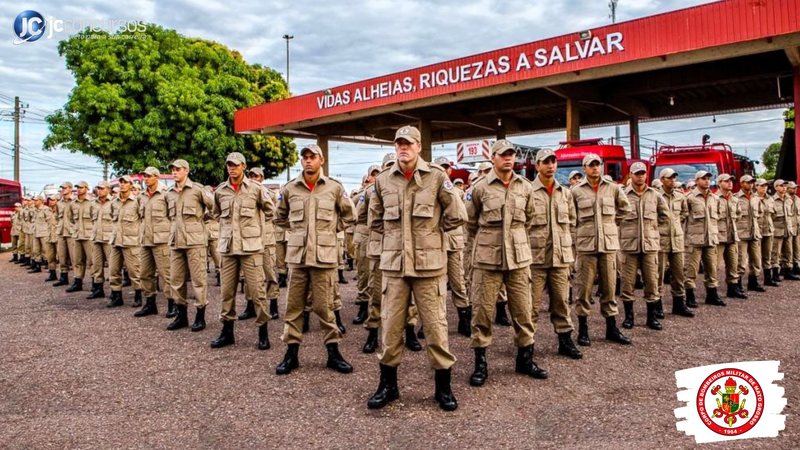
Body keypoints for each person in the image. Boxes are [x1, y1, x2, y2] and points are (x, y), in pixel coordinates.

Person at [366, 125, 465, 412]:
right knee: (391, 328)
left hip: (429, 267)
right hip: (395, 267)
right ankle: (388, 385)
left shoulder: (436, 177)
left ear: (419, 147)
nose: (403, 148)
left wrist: (432, 235)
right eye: (399, 144)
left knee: (435, 328)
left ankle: (443, 388)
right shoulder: (384, 180)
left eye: (408, 143)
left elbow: (457, 214)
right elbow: (375, 220)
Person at [465, 140, 546, 387]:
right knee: (482, 311)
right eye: (503, 155)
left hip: (519, 258)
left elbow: (529, 219)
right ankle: (481, 364)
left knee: (523, 310)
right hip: (487, 259)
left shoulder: (525, 187)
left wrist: (515, 239)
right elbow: (470, 222)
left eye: (511, 155)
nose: (508, 159)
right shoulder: (480, 187)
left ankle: (525, 359)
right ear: (494, 158)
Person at [274, 144, 355, 375]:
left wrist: (330, 230)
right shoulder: (290, 189)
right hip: (298, 259)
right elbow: (279, 216)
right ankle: (291, 354)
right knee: (294, 308)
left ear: (322, 160)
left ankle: (333, 353)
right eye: (305, 157)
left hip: (324, 258)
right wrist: (298, 231)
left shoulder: (334, 188)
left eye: (313, 157)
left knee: (325, 307)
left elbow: (350, 216)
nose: (308, 161)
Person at [209, 153, 275, 350]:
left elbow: (270, 211)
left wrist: (256, 231)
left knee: (257, 291)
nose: (232, 168)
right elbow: (216, 213)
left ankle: (263, 332)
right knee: (226, 292)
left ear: (243, 167)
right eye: (229, 165)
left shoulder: (256, 189)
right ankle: (227, 332)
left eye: (236, 165)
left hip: (251, 248)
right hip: (228, 248)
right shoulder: (221, 191)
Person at [360, 154, 422, 354]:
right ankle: (373, 333)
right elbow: (363, 217)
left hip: (406, 250)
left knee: (409, 295)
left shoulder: (413, 187)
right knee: (377, 293)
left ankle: (410, 330)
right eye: (381, 169)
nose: (384, 172)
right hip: (381, 251)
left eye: (389, 166)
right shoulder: (372, 190)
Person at [572, 153, 632, 347]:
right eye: (591, 165)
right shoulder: (576, 191)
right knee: (584, 289)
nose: (595, 168)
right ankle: (583, 329)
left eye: (598, 165)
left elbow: (625, 209)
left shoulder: (613, 188)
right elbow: (571, 217)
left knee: (609, 288)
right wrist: (578, 235)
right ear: (584, 168)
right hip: (586, 247)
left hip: (608, 246)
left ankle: (611, 328)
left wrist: (611, 225)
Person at [618, 162, 669, 331]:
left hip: (650, 246)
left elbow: (664, 215)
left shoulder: (654, 195)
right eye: (637, 173)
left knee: (652, 282)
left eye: (643, 173)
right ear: (630, 175)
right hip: (629, 245)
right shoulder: (623, 194)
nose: (640, 176)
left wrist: (653, 230)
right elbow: (615, 217)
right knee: (627, 283)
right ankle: (629, 317)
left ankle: (652, 317)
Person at [165, 159, 214, 331]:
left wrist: (201, 221)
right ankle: (181, 315)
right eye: (172, 169)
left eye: (178, 169)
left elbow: (214, 207)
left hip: (195, 241)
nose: (174, 172)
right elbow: (168, 216)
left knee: (198, 280)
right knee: (176, 280)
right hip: (176, 240)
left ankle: (200, 316)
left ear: (186, 171)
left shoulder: (197, 190)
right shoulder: (169, 193)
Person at [434, 156, 471, 336]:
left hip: (454, 242)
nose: (443, 169)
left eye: (446, 167)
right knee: (435, 287)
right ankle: (432, 324)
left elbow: (462, 216)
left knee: (458, 282)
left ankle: (464, 319)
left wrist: (442, 227)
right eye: (440, 166)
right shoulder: (430, 188)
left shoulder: (456, 191)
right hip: (434, 244)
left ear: (449, 170)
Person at [238, 167, 280, 321]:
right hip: (250, 241)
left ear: (262, 178)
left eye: (256, 176)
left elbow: (274, 213)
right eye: (251, 175)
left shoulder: (269, 194)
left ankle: (273, 305)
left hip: (267, 239)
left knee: (269, 273)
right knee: (250, 276)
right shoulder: (245, 192)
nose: (253, 178)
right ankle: (250, 306)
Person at [135, 167, 174, 317]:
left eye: (149, 176)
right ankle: (150, 304)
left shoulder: (165, 195)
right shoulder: (142, 196)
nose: (146, 178)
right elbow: (141, 216)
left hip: (161, 240)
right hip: (146, 240)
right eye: (144, 176)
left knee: (167, 274)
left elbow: (172, 216)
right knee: (145, 273)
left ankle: (172, 304)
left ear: (156, 177)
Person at [684, 171, 726, 307]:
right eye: (703, 179)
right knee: (691, 269)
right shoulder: (689, 198)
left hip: (711, 238)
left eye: (708, 178)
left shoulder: (715, 198)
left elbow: (718, 216)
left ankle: (712, 295)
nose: (707, 181)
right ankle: (690, 296)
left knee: (712, 268)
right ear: (696, 181)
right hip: (694, 239)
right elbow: (683, 216)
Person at [656, 169, 694, 317]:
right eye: (669, 178)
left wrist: (676, 224)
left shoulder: (680, 196)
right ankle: (656, 304)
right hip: (661, 239)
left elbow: (684, 213)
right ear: (662, 179)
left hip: (677, 239)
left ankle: (679, 304)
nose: (672, 180)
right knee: (657, 275)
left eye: (674, 177)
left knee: (679, 273)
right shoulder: (656, 196)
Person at [108, 175, 143, 307]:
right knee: (113, 270)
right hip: (116, 240)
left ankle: (138, 295)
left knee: (135, 271)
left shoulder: (136, 202)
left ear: (131, 185)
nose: (122, 185)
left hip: (131, 241)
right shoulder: (114, 202)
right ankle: (117, 296)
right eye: (121, 182)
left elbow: (142, 218)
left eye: (125, 183)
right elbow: (113, 217)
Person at [353, 166, 381, 325]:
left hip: (392, 238)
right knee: (365, 273)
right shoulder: (367, 192)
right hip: (368, 236)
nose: (376, 177)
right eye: (374, 174)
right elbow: (357, 215)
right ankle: (364, 306)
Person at [716, 174, 746, 299]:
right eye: (726, 181)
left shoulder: (734, 199)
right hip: (718, 236)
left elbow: (738, 215)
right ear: (719, 183)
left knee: (733, 264)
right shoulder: (714, 198)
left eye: (731, 181)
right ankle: (712, 291)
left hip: (732, 235)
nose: (730, 183)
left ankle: (732, 289)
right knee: (715, 266)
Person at [734, 175, 765, 293]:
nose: (750, 184)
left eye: (752, 182)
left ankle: (753, 282)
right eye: (747, 182)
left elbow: (760, 213)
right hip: (742, 233)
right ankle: (738, 283)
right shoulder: (736, 198)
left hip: (755, 232)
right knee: (741, 261)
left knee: (756, 260)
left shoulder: (756, 198)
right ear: (741, 183)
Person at [67, 181, 95, 293]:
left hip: (89, 235)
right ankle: (78, 281)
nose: (78, 189)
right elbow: (70, 219)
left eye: (81, 187)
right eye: (77, 187)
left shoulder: (92, 203)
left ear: (87, 189)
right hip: (77, 234)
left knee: (92, 261)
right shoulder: (73, 204)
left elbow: (95, 219)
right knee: (77, 260)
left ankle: (95, 283)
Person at [87, 181, 114, 299]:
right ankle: (98, 289)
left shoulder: (113, 203)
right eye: (98, 188)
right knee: (96, 265)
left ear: (108, 189)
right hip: (96, 238)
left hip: (109, 238)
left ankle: (115, 292)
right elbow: (91, 219)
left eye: (102, 188)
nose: (100, 190)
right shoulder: (93, 203)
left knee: (113, 266)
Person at [771, 180, 800, 281]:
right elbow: (770, 217)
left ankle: (788, 271)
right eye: (781, 186)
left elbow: (791, 215)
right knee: (776, 253)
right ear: (776, 187)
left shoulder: (789, 200)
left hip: (788, 230)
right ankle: (775, 274)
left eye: (785, 186)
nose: (784, 187)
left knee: (789, 251)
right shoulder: (772, 200)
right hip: (777, 230)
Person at [53, 182, 76, 288]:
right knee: (61, 256)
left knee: (74, 258)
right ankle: (63, 277)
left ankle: (77, 279)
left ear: (70, 189)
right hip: (61, 232)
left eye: (65, 188)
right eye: (61, 188)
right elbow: (57, 217)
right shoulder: (59, 203)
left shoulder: (75, 202)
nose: (63, 189)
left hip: (71, 233)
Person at [788, 182, 800, 276]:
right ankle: (788, 267)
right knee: (788, 249)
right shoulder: (786, 199)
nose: (795, 189)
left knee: (797, 248)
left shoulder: (797, 199)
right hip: (788, 228)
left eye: (795, 188)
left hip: (797, 227)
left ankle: (797, 265)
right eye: (792, 188)